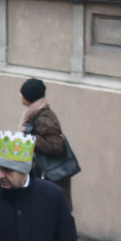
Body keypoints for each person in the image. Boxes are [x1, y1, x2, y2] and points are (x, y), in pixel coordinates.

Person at [18, 78, 74, 211]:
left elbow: (56, 146)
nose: (19, 95)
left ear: (28, 97)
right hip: (40, 177)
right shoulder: (34, 113)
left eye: (22, 93)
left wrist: (30, 138)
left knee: (51, 214)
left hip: (48, 178)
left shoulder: (44, 118)